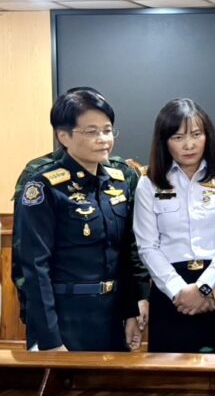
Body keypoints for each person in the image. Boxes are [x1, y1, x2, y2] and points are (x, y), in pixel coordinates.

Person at [11, 86, 150, 332]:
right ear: (63, 136)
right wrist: (45, 332)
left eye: (107, 130)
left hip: (112, 313)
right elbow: (32, 265)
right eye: (91, 131)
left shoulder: (120, 177)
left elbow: (128, 249)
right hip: (65, 315)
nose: (103, 139)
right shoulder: (42, 182)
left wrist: (133, 307)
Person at [134, 99, 215, 353]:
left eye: (196, 134)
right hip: (170, 291)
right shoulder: (149, 181)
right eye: (178, 137)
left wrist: (204, 287)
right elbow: (147, 246)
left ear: (208, 136)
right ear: (164, 141)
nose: (189, 144)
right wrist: (179, 291)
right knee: (169, 372)